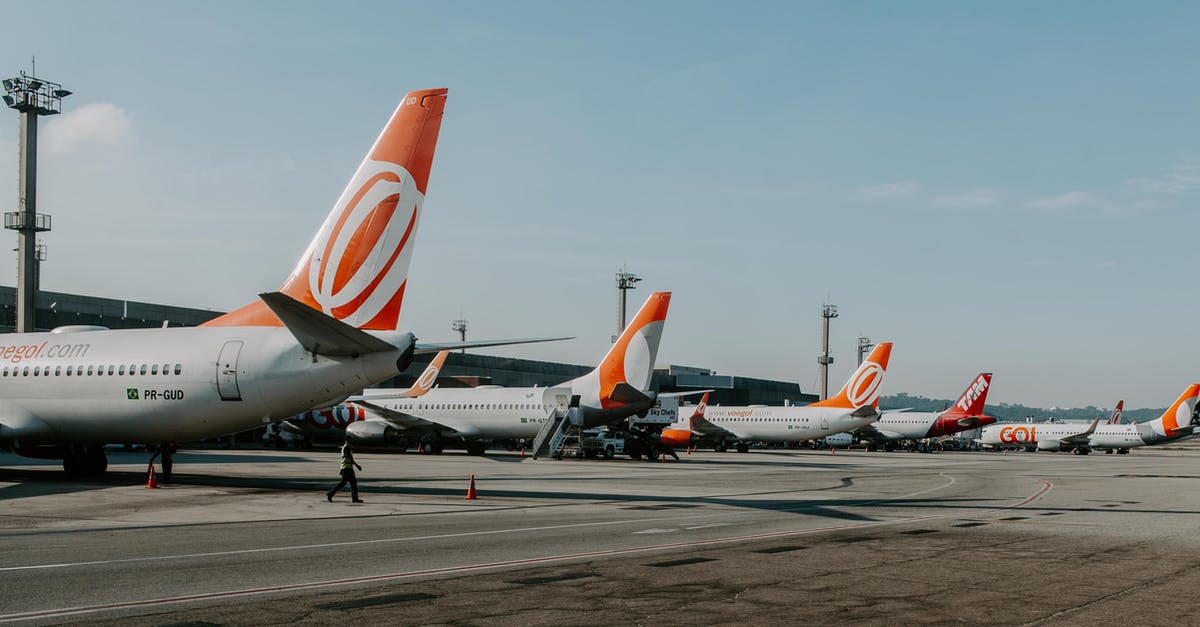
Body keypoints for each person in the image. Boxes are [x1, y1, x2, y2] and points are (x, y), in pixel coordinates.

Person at [326, 436, 364, 503]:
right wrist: (357, 465)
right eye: (350, 440)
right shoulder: (347, 447)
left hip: (347, 468)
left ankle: (354, 498)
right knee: (348, 483)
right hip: (347, 468)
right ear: (348, 440)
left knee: (349, 483)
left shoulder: (346, 447)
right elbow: (349, 457)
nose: (351, 441)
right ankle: (330, 494)